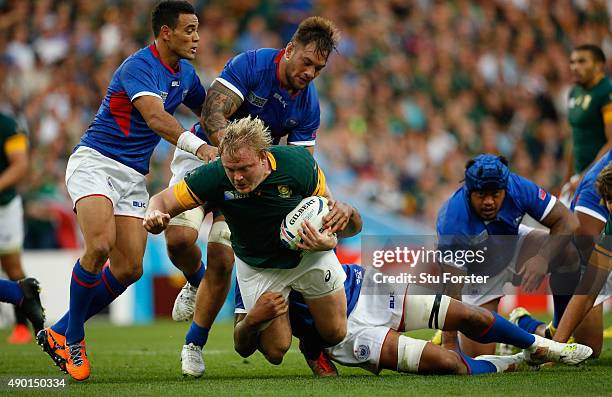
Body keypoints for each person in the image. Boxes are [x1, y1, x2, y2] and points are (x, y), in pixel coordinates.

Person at [36, 0, 217, 382]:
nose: (196, 37)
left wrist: (236, 136)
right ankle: (74, 339)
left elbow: (210, 114)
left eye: (197, 29)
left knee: (129, 267)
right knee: (100, 246)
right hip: (96, 161)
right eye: (189, 30)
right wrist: (201, 148)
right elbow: (155, 117)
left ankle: (57, 331)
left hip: (132, 176)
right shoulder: (138, 66)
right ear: (165, 32)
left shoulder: (185, 74)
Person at [164, 16, 352, 376]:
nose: (311, 72)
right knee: (179, 239)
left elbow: (300, 168)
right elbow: (212, 111)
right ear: (290, 49)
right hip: (205, 157)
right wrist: (231, 159)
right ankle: (193, 280)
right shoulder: (250, 65)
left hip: (248, 181)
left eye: (319, 68)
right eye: (307, 62)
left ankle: (193, 344)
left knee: (222, 257)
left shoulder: (308, 105)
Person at [144, 116, 361, 377]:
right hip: (258, 264)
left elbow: (336, 216)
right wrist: (153, 215)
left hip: (308, 256)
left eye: (244, 168)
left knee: (335, 333)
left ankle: (311, 345)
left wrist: (333, 233)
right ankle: (251, 317)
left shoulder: (298, 164)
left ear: (262, 157)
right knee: (274, 351)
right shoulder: (214, 175)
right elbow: (161, 200)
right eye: (230, 169)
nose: (236, 177)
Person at [233, 264, 593, 376]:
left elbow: (353, 220)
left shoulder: (294, 198)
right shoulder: (247, 271)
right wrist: (253, 322)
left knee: (465, 314)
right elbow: (246, 343)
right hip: (345, 336)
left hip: (366, 290)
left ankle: (547, 347)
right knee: (447, 363)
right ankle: (515, 359)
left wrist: (341, 216)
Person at [435, 154, 579, 357]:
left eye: (495, 194)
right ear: (469, 191)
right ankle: (523, 326)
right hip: (478, 275)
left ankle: (558, 334)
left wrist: (542, 259)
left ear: (505, 188)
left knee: (568, 251)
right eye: (481, 194)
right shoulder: (453, 220)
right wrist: (449, 345)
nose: (488, 202)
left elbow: (568, 221)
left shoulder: (517, 187)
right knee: (481, 358)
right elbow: (452, 289)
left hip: (512, 246)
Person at [510, 158, 611, 357]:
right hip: (588, 255)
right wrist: (555, 351)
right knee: (589, 348)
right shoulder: (593, 197)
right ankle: (524, 325)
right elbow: (588, 292)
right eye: (609, 201)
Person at [560, 44, 612, 205]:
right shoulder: (574, 92)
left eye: (582, 61)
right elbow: (574, 138)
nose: (575, 67)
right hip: (579, 177)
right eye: (572, 62)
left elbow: (611, 143)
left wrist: (585, 177)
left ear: (599, 65)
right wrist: (567, 179)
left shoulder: (607, 91)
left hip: (602, 178)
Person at [0, 111, 32, 343]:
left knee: (12, 267)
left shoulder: (9, 125)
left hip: (5, 206)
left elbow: (20, 166)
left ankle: (23, 325)